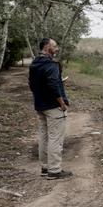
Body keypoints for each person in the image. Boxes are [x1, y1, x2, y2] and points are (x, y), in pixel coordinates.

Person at [29, 37, 72, 179]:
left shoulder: (35, 63)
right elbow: (52, 85)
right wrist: (62, 103)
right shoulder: (51, 65)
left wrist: (59, 81)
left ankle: (45, 168)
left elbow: (33, 84)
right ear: (47, 47)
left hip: (40, 106)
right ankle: (54, 170)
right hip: (53, 107)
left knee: (44, 137)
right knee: (55, 139)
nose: (57, 48)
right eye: (55, 46)